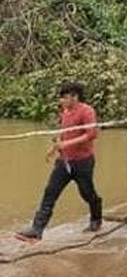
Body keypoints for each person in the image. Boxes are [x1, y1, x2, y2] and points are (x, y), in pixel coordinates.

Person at [16, 82, 103, 242]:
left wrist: (67, 144)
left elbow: (92, 134)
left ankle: (96, 219)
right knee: (50, 192)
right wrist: (55, 148)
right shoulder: (65, 112)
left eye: (65, 97)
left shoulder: (87, 111)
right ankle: (37, 229)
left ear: (75, 97)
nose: (61, 100)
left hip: (83, 162)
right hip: (64, 161)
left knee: (87, 193)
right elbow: (64, 134)